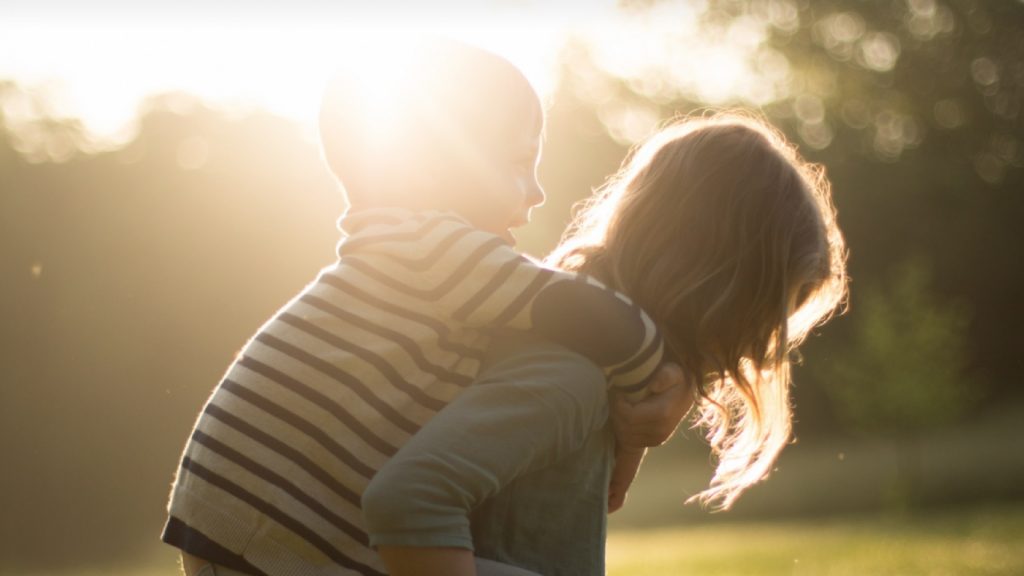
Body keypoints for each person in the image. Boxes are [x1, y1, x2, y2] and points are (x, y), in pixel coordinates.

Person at [161, 38, 676, 576]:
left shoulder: (406, 249)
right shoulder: (436, 249)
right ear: (433, 167)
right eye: (520, 163)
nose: (538, 191)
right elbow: (593, 316)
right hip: (275, 522)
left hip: (244, 514)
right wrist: (661, 382)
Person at [362, 112, 849, 575]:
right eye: (762, 318)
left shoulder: (595, 373)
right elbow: (410, 496)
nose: (759, 350)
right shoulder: (570, 380)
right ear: (710, 282)